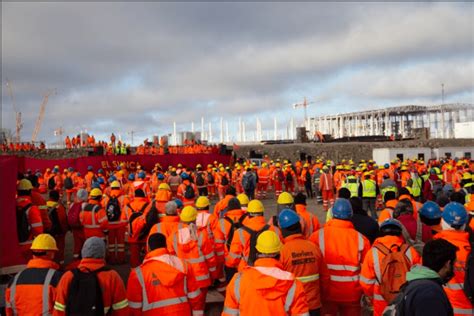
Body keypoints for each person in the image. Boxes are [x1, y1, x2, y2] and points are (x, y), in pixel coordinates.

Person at [223, 230, 309, 316]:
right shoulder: (293, 284)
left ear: (257, 252)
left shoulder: (238, 281)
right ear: (279, 254)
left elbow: (229, 314)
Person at [309, 198, 371, 316]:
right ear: (350, 215)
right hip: (352, 294)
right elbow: (367, 270)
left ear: (332, 214)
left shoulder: (317, 236)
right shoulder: (361, 239)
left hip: (327, 294)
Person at [127, 233, 204, 315]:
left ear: (148, 248)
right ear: (165, 246)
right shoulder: (184, 265)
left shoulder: (138, 274)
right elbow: (195, 297)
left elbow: (134, 307)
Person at [360, 219, 421, 316]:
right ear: (400, 233)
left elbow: (366, 282)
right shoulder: (411, 251)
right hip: (404, 300)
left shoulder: (373, 252)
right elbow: (419, 278)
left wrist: (371, 297)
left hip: (381, 301)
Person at [53, 237, 129, 315]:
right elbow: (121, 310)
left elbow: (59, 310)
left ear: (83, 252)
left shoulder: (68, 276)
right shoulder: (112, 277)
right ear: (103, 253)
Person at [167, 206, 218, 309]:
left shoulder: (173, 236)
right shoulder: (201, 235)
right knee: (199, 307)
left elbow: (171, 258)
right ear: (195, 219)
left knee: (187, 306)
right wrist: (214, 275)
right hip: (201, 278)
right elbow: (210, 259)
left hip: (183, 277)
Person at [390, 238, 456, 315]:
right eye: (454, 264)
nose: (454, 268)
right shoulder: (429, 293)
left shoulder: (417, 284)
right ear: (447, 264)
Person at [279, 209, 325, 316]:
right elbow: (325, 277)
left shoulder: (282, 252)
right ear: (300, 227)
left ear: (283, 230)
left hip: (293, 306)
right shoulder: (314, 247)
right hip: (314, 305)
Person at [5, 234, 63, 316]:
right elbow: (62, 307)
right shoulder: (57, 278)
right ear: (51, 253)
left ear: (33, 254)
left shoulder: (15, 279)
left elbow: (9, 309)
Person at [433, 202, 474, 315]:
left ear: (442, 221)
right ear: (465, 224)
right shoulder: (470, 249)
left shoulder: (434, 249)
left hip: (444, 308)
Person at [226, 199, 279, 272]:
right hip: (271, 270)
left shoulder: (240, 233)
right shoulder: (274, 230)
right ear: (262, 213)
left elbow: (232, 259)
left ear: (248, 215)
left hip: (247, 270)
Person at [16, 178, 44, 261]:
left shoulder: (11, 205)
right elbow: (38, 230)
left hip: (13, 244)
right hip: (28, 245)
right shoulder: (32, 208)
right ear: (30, 191)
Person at [67, 188, 87, 260]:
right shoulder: (84, 205)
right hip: (82, 227)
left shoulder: (72, 204)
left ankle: (75, 259)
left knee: (77, 244)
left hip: (74, 227)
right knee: (84, 243)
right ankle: (84, 258)